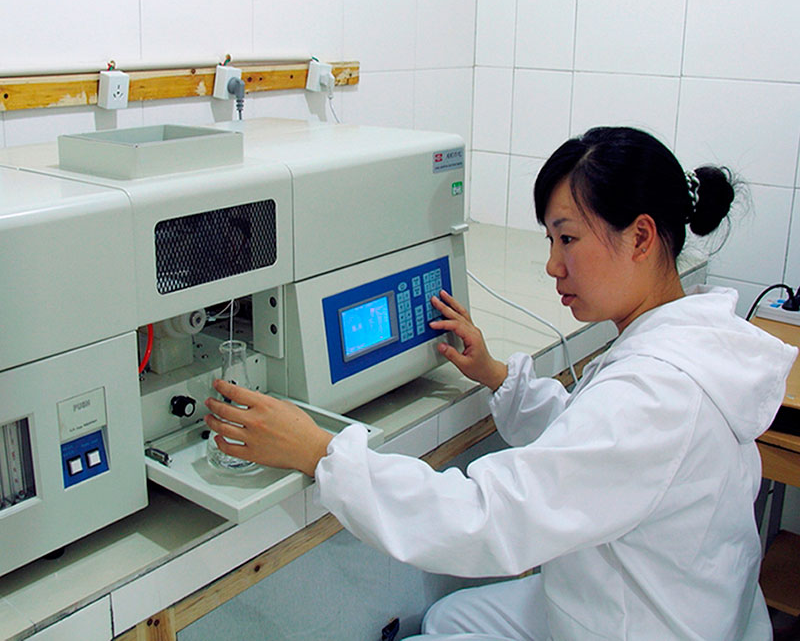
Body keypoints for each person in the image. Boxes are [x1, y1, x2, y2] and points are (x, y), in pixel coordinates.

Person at [204, 127, 797, 640]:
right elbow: (591, 447)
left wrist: (319, 452)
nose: (553, 265)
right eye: (550, 241)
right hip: (679, 600)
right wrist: (497, 376)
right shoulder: (687, 345)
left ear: (641, 238)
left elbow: (484, 517)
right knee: (450, 618)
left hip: (642, 623)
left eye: (568, 238)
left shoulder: (653, 397)